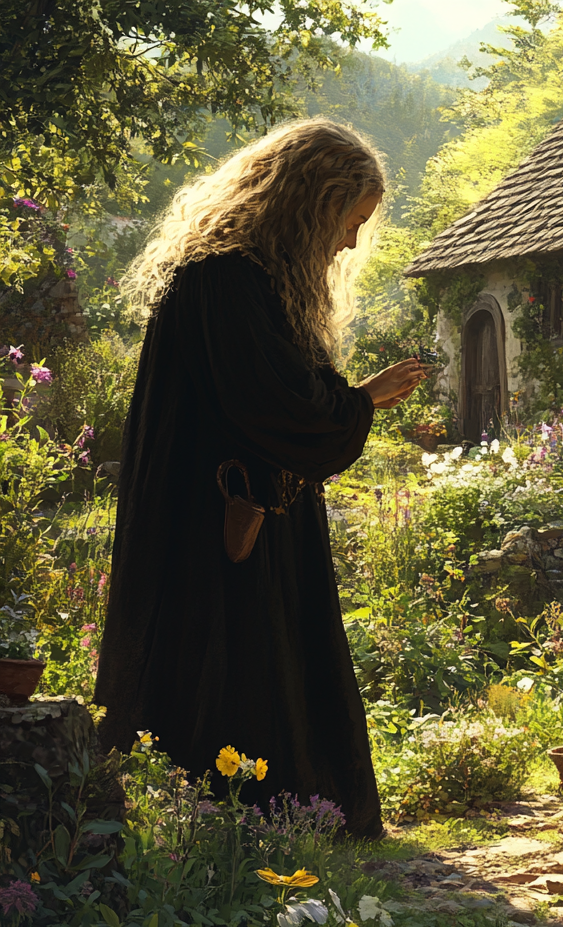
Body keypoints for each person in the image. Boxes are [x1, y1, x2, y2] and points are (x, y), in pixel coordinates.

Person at [95, 118, 428, 839]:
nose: (347, 242)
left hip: (245, 511)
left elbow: (282, 397)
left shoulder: (247, 281)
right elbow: (274, 405)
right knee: (227, 661)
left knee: (256, 656)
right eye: (350, 222)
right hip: (209, 518)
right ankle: (230, 822)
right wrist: (360, 400)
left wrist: (346, 403)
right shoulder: (225, 281)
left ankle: (269, 816)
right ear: (311, 204)